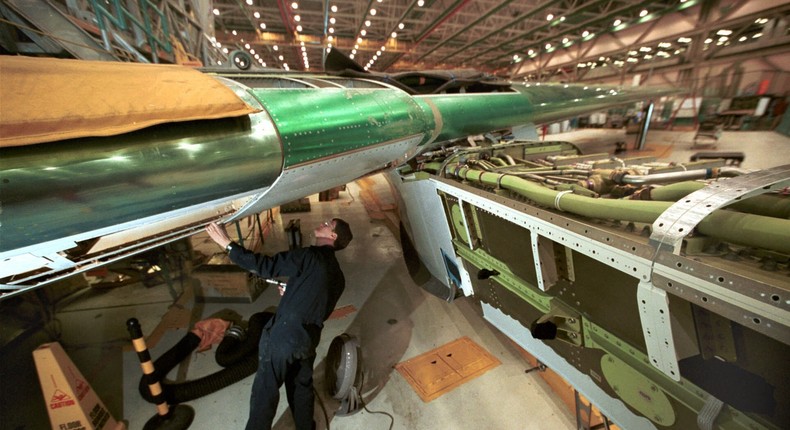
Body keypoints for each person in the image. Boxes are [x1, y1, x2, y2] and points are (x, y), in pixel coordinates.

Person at [205, 218, 353, 430]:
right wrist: (292, 291)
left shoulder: (309, 255)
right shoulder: (338, 276)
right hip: (308, 340)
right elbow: (321, 308)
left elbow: (264, 267)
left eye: (328, 224)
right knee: (301, 388)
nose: (322, 222)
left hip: (284, 337)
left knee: (264, 394)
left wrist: (227, 243)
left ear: (333, 236)